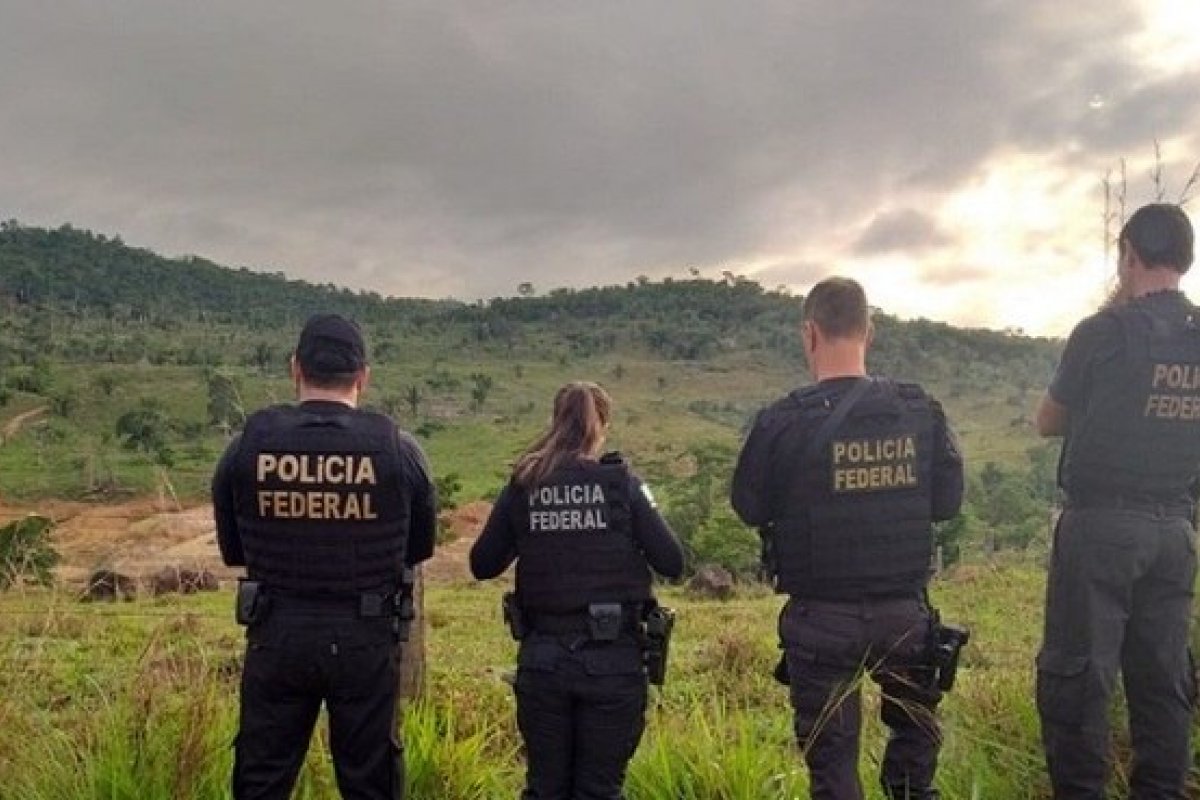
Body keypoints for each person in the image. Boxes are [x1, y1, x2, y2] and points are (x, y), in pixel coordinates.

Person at [731, 277, 964, 800]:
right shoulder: (919, 409)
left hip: (821, 620)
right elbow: (947, 503)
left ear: (809, 334)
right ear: (869, 332)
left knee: (832, 773)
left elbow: (748, 506)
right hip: (905, 615)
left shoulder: (781, 421)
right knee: (914, 758)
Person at [212, 313, 437, 800]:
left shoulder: (247, 447)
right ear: (363, 377)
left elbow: (234, 550)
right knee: (371, 782)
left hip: (276, 634)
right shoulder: (399, 450)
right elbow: (418, 549)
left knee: (261, 778)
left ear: (296, 369)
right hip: (366, 640)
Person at [1034, 203, 1198, 799]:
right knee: (1163, 684)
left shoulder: (1101, 333)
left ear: (1127, 254)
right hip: (1176, 532)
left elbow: (1047, 422)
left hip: (1100, 528)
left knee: (1078, 679)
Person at [470, 381, 684, 800]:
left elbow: (482, 564)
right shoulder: (621, 483)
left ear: (556, 422)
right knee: (599, 790)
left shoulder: (525, 483)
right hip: (613, 664)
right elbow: (672, 562)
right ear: (600, 426)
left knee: (545, 789)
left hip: (544, 661)